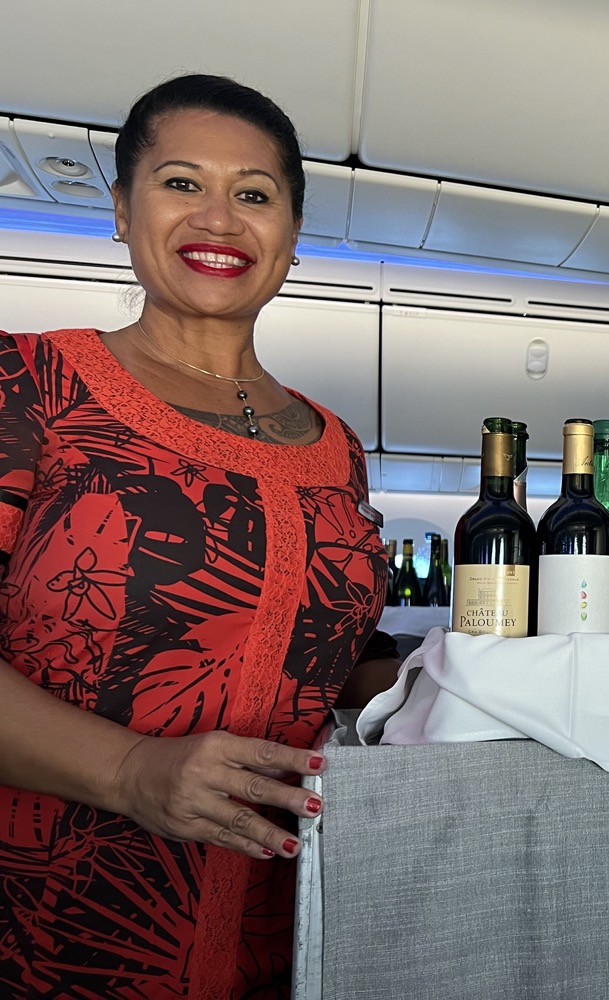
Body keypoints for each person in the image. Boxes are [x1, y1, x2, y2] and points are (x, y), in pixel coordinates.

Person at [0, 74, 399, 997]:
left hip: (295, 931)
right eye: (181, 184)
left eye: (254, 196)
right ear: (119, 210)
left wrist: (488, 689)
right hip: (57, 939)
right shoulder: (29, 386)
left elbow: (340, 665)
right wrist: (133, 769)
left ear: (291, 239)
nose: (218, 220)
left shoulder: (334, 444)